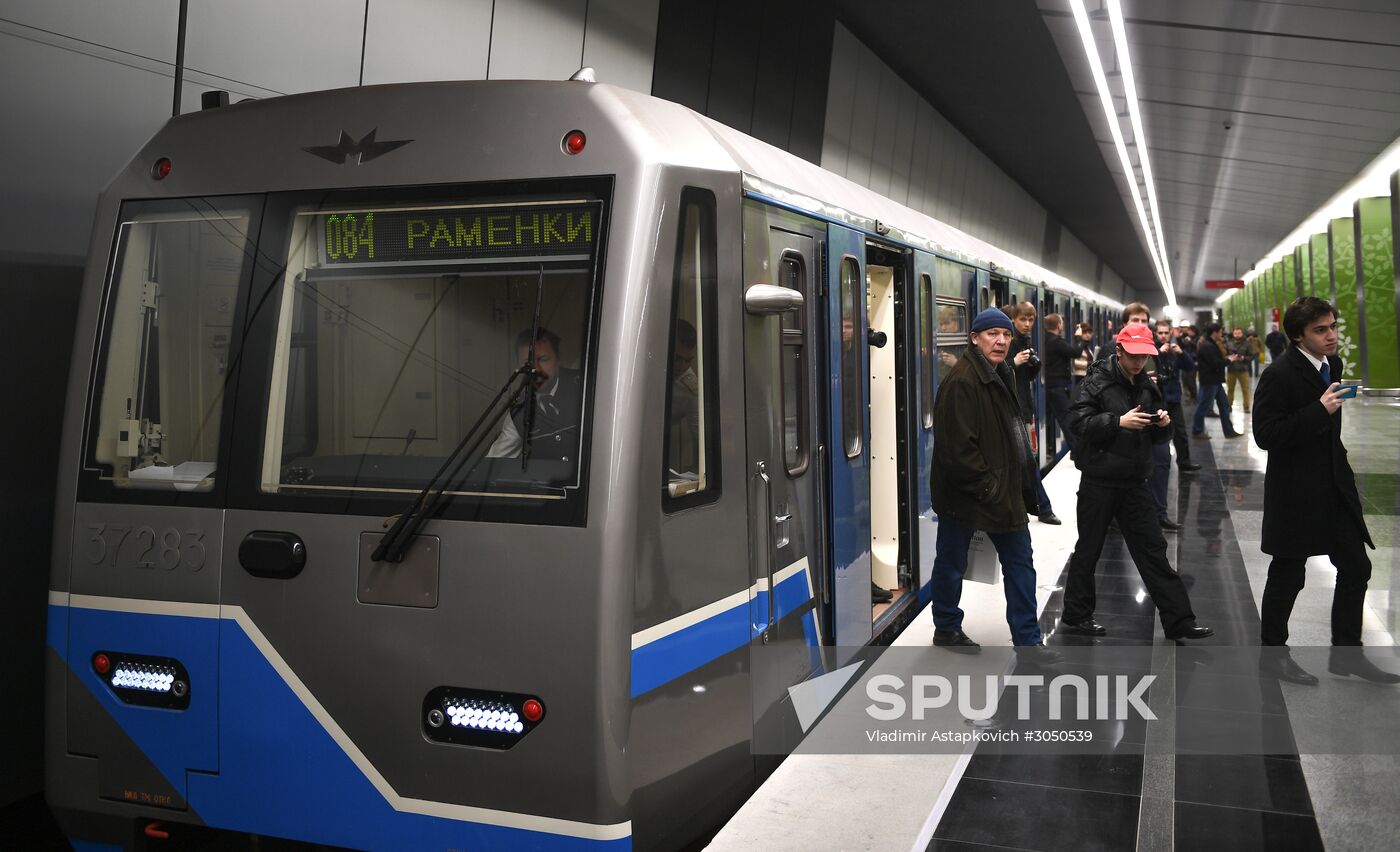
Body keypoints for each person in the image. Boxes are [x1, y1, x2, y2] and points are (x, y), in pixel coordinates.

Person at [1253, 297, 1399, 684]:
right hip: (1296, 492)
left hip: (1333, 486)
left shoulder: (1332, 365)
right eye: (1321, 330)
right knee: (1288, 573)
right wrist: (1318, 410)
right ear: (1299, 335)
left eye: (1333, 326)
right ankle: (1273, 655)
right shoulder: (1279, 374)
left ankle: (1348, 655)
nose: (1331, 335)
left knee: (1357, 567)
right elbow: (1266, 435)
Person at [1059, 324, 1214, 641]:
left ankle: (1179, 620)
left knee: (1153, 551)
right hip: (1099, 480)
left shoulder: (1146, 385)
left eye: (1144, 356)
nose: (1138, 362)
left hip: (1134, 481)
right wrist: (1118, 422)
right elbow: (1077, 423)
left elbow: (1158, 436)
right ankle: (1076, 615)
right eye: (1133, 356)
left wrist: (1163, 425)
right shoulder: (1095, 384)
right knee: (1089, 549)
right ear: (1119, 352)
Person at [929, 308, 1061, 665]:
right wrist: (991, 489)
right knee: (952, 562)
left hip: (1001, 488)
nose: (1001, 341)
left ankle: (1028, 642)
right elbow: (958, 450)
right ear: (974, 338)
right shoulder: (962, 382)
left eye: (1006, 335)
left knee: (1020, 564)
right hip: (973, 493)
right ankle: (946, 626)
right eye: (992, 334)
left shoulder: (1002, 372)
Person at [486, 327, 584, 461]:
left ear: (558, 360)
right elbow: (494, 462)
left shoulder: (584, 387)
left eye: (544, 359)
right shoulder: (519, 409)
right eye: (527, 363)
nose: (536, 369)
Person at [1007, 302, 1060, 524]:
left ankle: (1034, 506)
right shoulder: (1008, 342)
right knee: (1027, 461)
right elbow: (995, 374)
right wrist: (1014, 362)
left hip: (1024, 408)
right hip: (1012, 410)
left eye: (1031, 320)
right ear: (1014, 320)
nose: (1028, 324)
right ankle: (1043, 507)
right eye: (1023, 320)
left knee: (1026, 460)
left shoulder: (1025, 342)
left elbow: (1026, 379)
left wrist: (1033, 364)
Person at [1191, 323, 1244, 439]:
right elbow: (1216, 364)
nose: (1221, 334)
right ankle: (1197, 430)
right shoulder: (1208, 346)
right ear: (1214, 332)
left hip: (1215, 381)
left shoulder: (1211, 344)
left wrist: (1226, 359)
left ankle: (1229, 431)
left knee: (1224, 406)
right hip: (1210, 381)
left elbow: (1215, 361)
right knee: (1204, 406)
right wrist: (1229, 360)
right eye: (1220, 332)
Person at [1041, 313, 1076, 453]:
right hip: (1058, 386)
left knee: (1049, 418)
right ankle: (1077, 449)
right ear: (1059, 325)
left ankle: (1049, 445)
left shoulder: (1043, 340)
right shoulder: (1057, 342)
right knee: (1066, 418)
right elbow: (1074, 352)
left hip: (1048, 385)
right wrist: (1079, 339)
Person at [1226, 326, 1253, 413]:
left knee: (1245, 389)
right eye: (1235, 333)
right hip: (1231, 369)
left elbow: (1251, 356)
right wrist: (1229, 357)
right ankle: (1229, 406)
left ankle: (1246, 407)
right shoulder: (1229, 343)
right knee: (1230, 389)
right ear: (1233, 334)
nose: (1237, 335)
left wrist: (1244, 358)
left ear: (1242, 333)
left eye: (1239, 333)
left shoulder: (1247, 344)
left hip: (1243, 370)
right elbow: (1224, 354)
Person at [1179, 325, 1199, 401]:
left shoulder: (1197, 339)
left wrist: (1190, 342)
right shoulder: (1187, 338)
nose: (1188, 332)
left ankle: (1194, 396)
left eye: (1190, 330)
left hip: (1194, 361)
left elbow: (1197, 348)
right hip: (1187, 361)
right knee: (1185, 379)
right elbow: (1183, 346)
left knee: (1191, 380)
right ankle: (1191, 395)